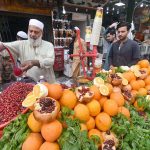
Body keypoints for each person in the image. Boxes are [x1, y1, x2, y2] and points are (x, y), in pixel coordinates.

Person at [0, 19, 56, 83]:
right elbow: (3, 45)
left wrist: (34, 62)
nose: (32, 34)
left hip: (48, 83)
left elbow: (51, 61)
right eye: (31, 31)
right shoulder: (21, 44)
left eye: (36, 32)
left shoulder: (48, 45)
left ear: (42, 33)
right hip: (31, 83)